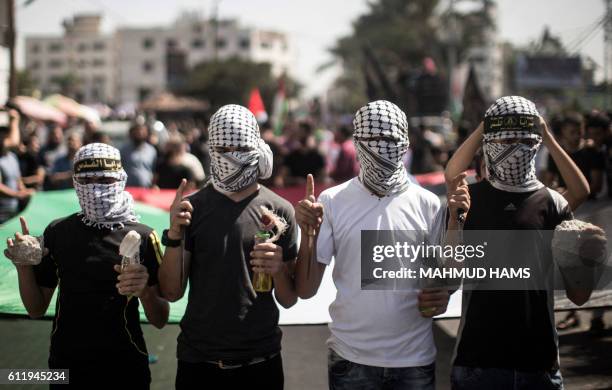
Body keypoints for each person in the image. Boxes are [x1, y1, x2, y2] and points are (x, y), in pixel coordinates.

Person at [294, 100, 468, 390]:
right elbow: (307, 289)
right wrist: (308, 234)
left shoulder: (427, 203)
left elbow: (447, 281)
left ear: (404, 143)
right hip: (350, 359)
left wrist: (456, 223)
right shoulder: (332, 202)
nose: (379, 147)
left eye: (388, 139)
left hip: (413, 361)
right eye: (371, 139)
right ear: (357, 142)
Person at [444, 96, 605, 389]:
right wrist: (485, 125)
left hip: (538, 363)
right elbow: (449, 274)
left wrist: (589, 260)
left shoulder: (551, 202)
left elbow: (579, 296)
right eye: (505, 141)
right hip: (479, 360)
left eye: (523, 140)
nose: (514, 149)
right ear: (489, 145)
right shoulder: (469, 200)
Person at [4, 143, 169, 389]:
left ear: (120, 179)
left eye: (105, 179)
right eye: (87, 179)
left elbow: (160, 319)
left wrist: (144, 290)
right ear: (75, 182)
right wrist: (23, 266)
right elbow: (36, 309)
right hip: (66, 364)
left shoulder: (144, 236)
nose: (96, 187)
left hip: (125, 363)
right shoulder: (58, 232)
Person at [159, 104, 298, 390]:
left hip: (261, 361)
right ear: (211, 149)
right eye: (223, 149)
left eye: (241, 148)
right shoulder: (192, 209)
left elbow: (288, 298)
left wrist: (278, 270)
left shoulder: (280, 210)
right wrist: (174, 233)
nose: (232, 157)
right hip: (200, 363)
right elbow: (172, 292)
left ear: (255, 147)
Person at [543, 112, 605, 199]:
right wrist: (555, 189)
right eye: (572, 132)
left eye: (579, 132)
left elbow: (597, 185)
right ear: (563, 131)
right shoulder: (556, 153)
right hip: (566, 202)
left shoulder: (592, 151)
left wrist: (569, 192)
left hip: (589, 203)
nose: (577, 136)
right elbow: (549, 181)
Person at [0, 109, 33, 223]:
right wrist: (18, 194)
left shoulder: (12, 157)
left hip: (14, 211)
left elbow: (18, 180)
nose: (3, 137)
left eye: (5, 133)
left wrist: (25, 191)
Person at [121, 123, 157, 188]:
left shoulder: (152, 150)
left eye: (143, 131)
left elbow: (154, 170)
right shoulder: (124, 150)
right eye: (137, 131)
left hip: (146, 188)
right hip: (128, 188)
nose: (140, 133)